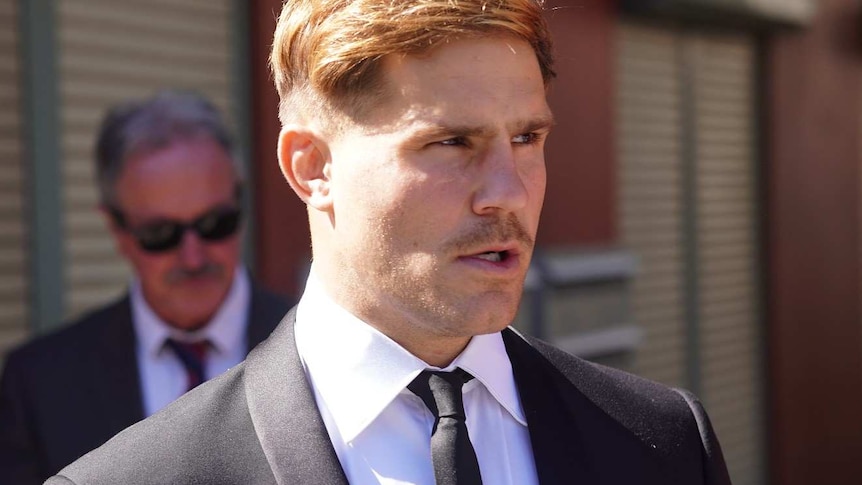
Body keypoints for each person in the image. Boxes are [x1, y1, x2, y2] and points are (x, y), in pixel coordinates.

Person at [45, 1, 731, 484]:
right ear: (312, 167)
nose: (509, 191)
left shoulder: (665, 443)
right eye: (451, 142)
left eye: (527, 138)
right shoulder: (136, 477)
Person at [0, 91, 293, 485]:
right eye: (161, 234)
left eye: (214, 224)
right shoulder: (41, 382)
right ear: (116, 230)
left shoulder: (319, 345)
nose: (193, 257)